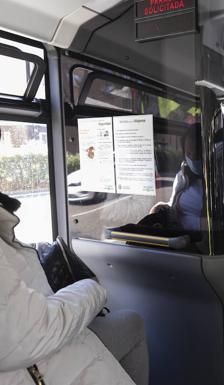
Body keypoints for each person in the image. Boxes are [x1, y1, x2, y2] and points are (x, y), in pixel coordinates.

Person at [0, 192, 148, 385]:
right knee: (131, 323)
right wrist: (91, 290)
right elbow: (27, 335)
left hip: (38, 359)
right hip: (39, 365)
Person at [151, 127, 205, 231]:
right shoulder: (182, 176)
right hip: (178, 235)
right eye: (189, 153)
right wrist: (160, 207)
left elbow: (215, 224)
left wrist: (184, 223)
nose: (193, 158)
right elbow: (174, 204)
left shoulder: (217, 182)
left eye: (198, 154)